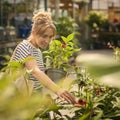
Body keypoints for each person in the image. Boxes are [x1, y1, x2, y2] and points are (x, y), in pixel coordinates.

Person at [10, 11, 75, 104]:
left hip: (33, 99)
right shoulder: (24, 46)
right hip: (20, 100)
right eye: (44, 36)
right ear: (33, 32)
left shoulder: (38, 51)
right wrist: (57, 89)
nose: (47, 41)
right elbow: (36, 72)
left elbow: (36, 80)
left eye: (50, 37)